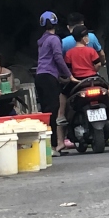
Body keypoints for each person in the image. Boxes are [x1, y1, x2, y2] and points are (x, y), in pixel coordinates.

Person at [62, 25, 109, 120]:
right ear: (84, 38)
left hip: (77, 81)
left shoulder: (69, 53)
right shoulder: (91, 51)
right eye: (87, 36)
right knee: (107, 88)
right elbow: (98, 64)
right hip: (93, 78)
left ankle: (61, 115)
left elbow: (68, 69)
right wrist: (94, 70)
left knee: (62, 94)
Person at [35, 11, 73, 152]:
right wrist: (69, 75)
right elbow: (58, 58)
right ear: (56, 23)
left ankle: (47, 146)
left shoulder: (42, 40)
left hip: (40, 76)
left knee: (46, 111)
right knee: (53, 110)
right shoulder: (54, 39)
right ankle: (53, 145)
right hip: (49, 77)